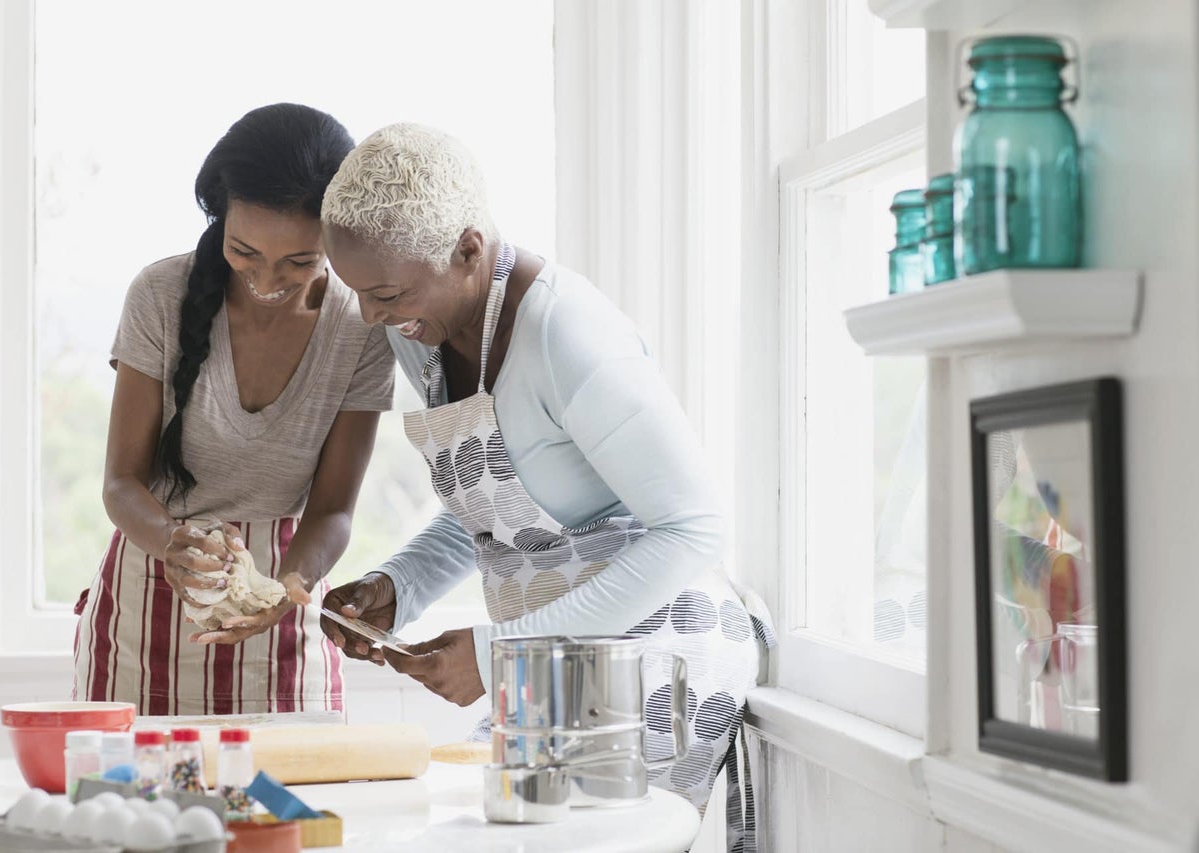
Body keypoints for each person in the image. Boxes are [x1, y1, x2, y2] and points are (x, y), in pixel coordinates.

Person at [316, 123, 773, 848]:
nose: (371, 316)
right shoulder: (419, 327)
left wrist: (506, 650)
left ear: (468, 249)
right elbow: (508, 518)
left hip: (655, 648)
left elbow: (695, 529)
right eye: (359, 293)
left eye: (385, 293)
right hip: (550, 654)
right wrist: (397, 585)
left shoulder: (569, 332)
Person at [73, 103, 394, 716]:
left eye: (299, 260)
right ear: (219, 218)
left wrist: (286, 588)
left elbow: (331, 511)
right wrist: (175, 543)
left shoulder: (361, 325)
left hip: (283, 600)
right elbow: (120, 483)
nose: (267, 279)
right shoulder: (160, 296)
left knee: (286, 808)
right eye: (243, 250)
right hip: (147, 597)